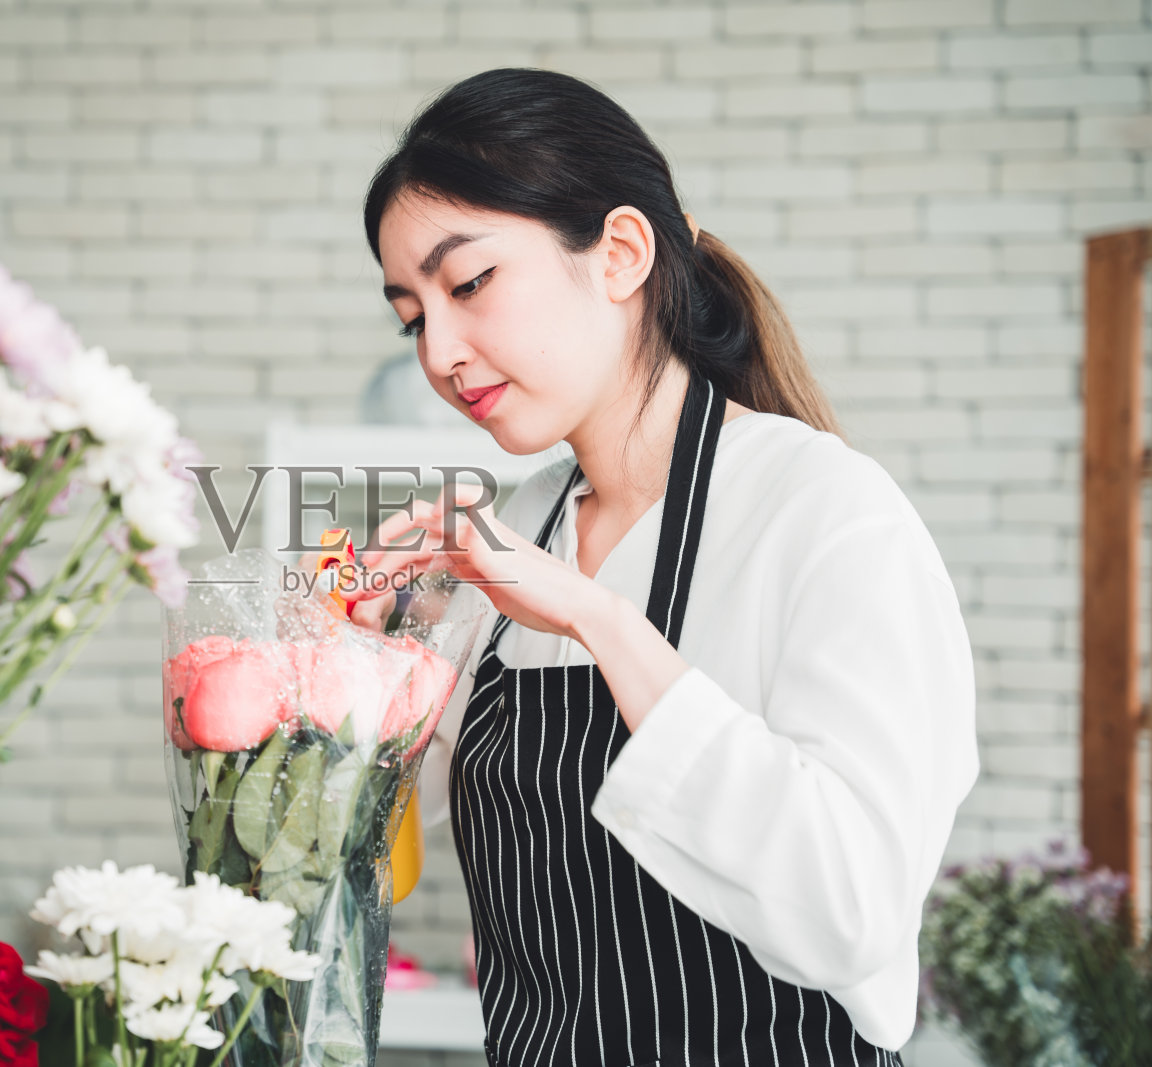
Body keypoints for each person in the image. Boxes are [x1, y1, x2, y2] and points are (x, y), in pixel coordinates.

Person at [339, 69, 978, 1067]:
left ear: (621, 254)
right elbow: (386, 860)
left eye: (467, 284)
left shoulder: (823, 510)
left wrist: (598, 620)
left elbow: (849, 911)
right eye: (413, 316)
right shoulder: (520, 525)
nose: (440, 353)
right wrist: (342, 678)